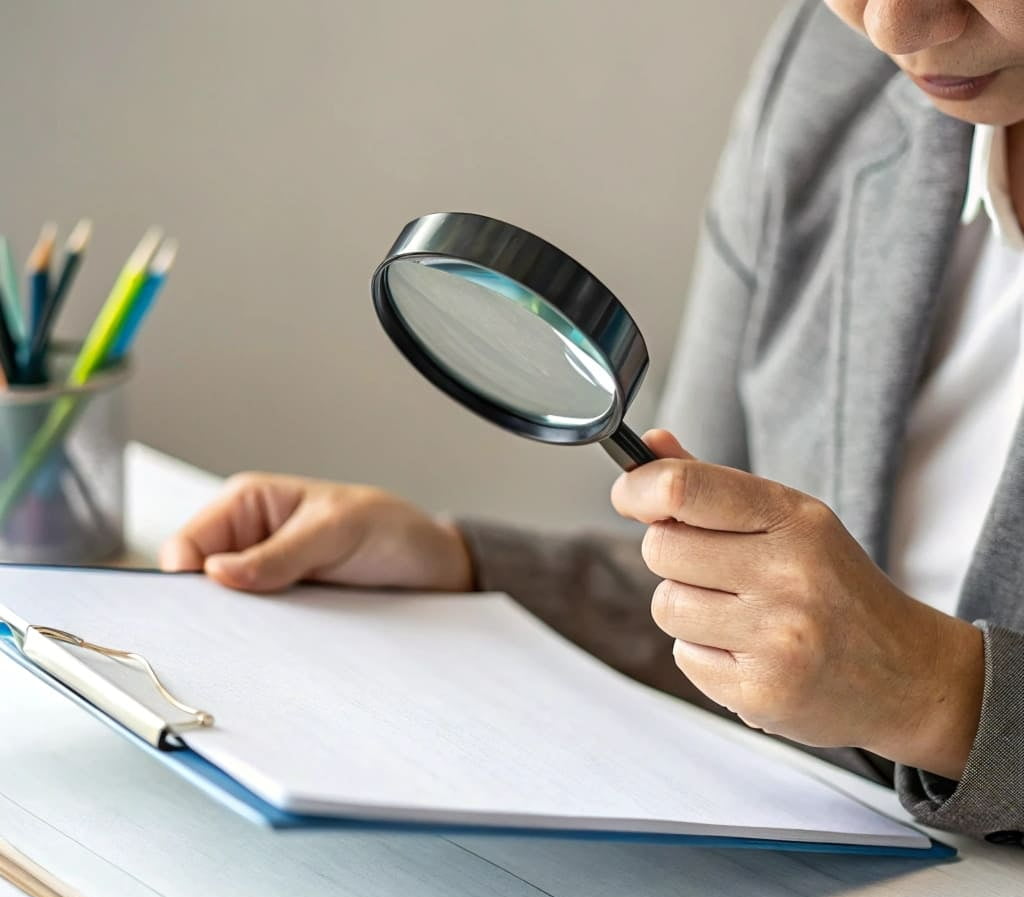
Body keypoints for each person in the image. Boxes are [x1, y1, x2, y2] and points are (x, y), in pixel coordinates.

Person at [161, 0, 1024, 844]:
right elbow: (766, 611)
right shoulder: (829, 74)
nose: (894, 26)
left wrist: (939, 696)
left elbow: (861, 657)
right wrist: (465, 570)